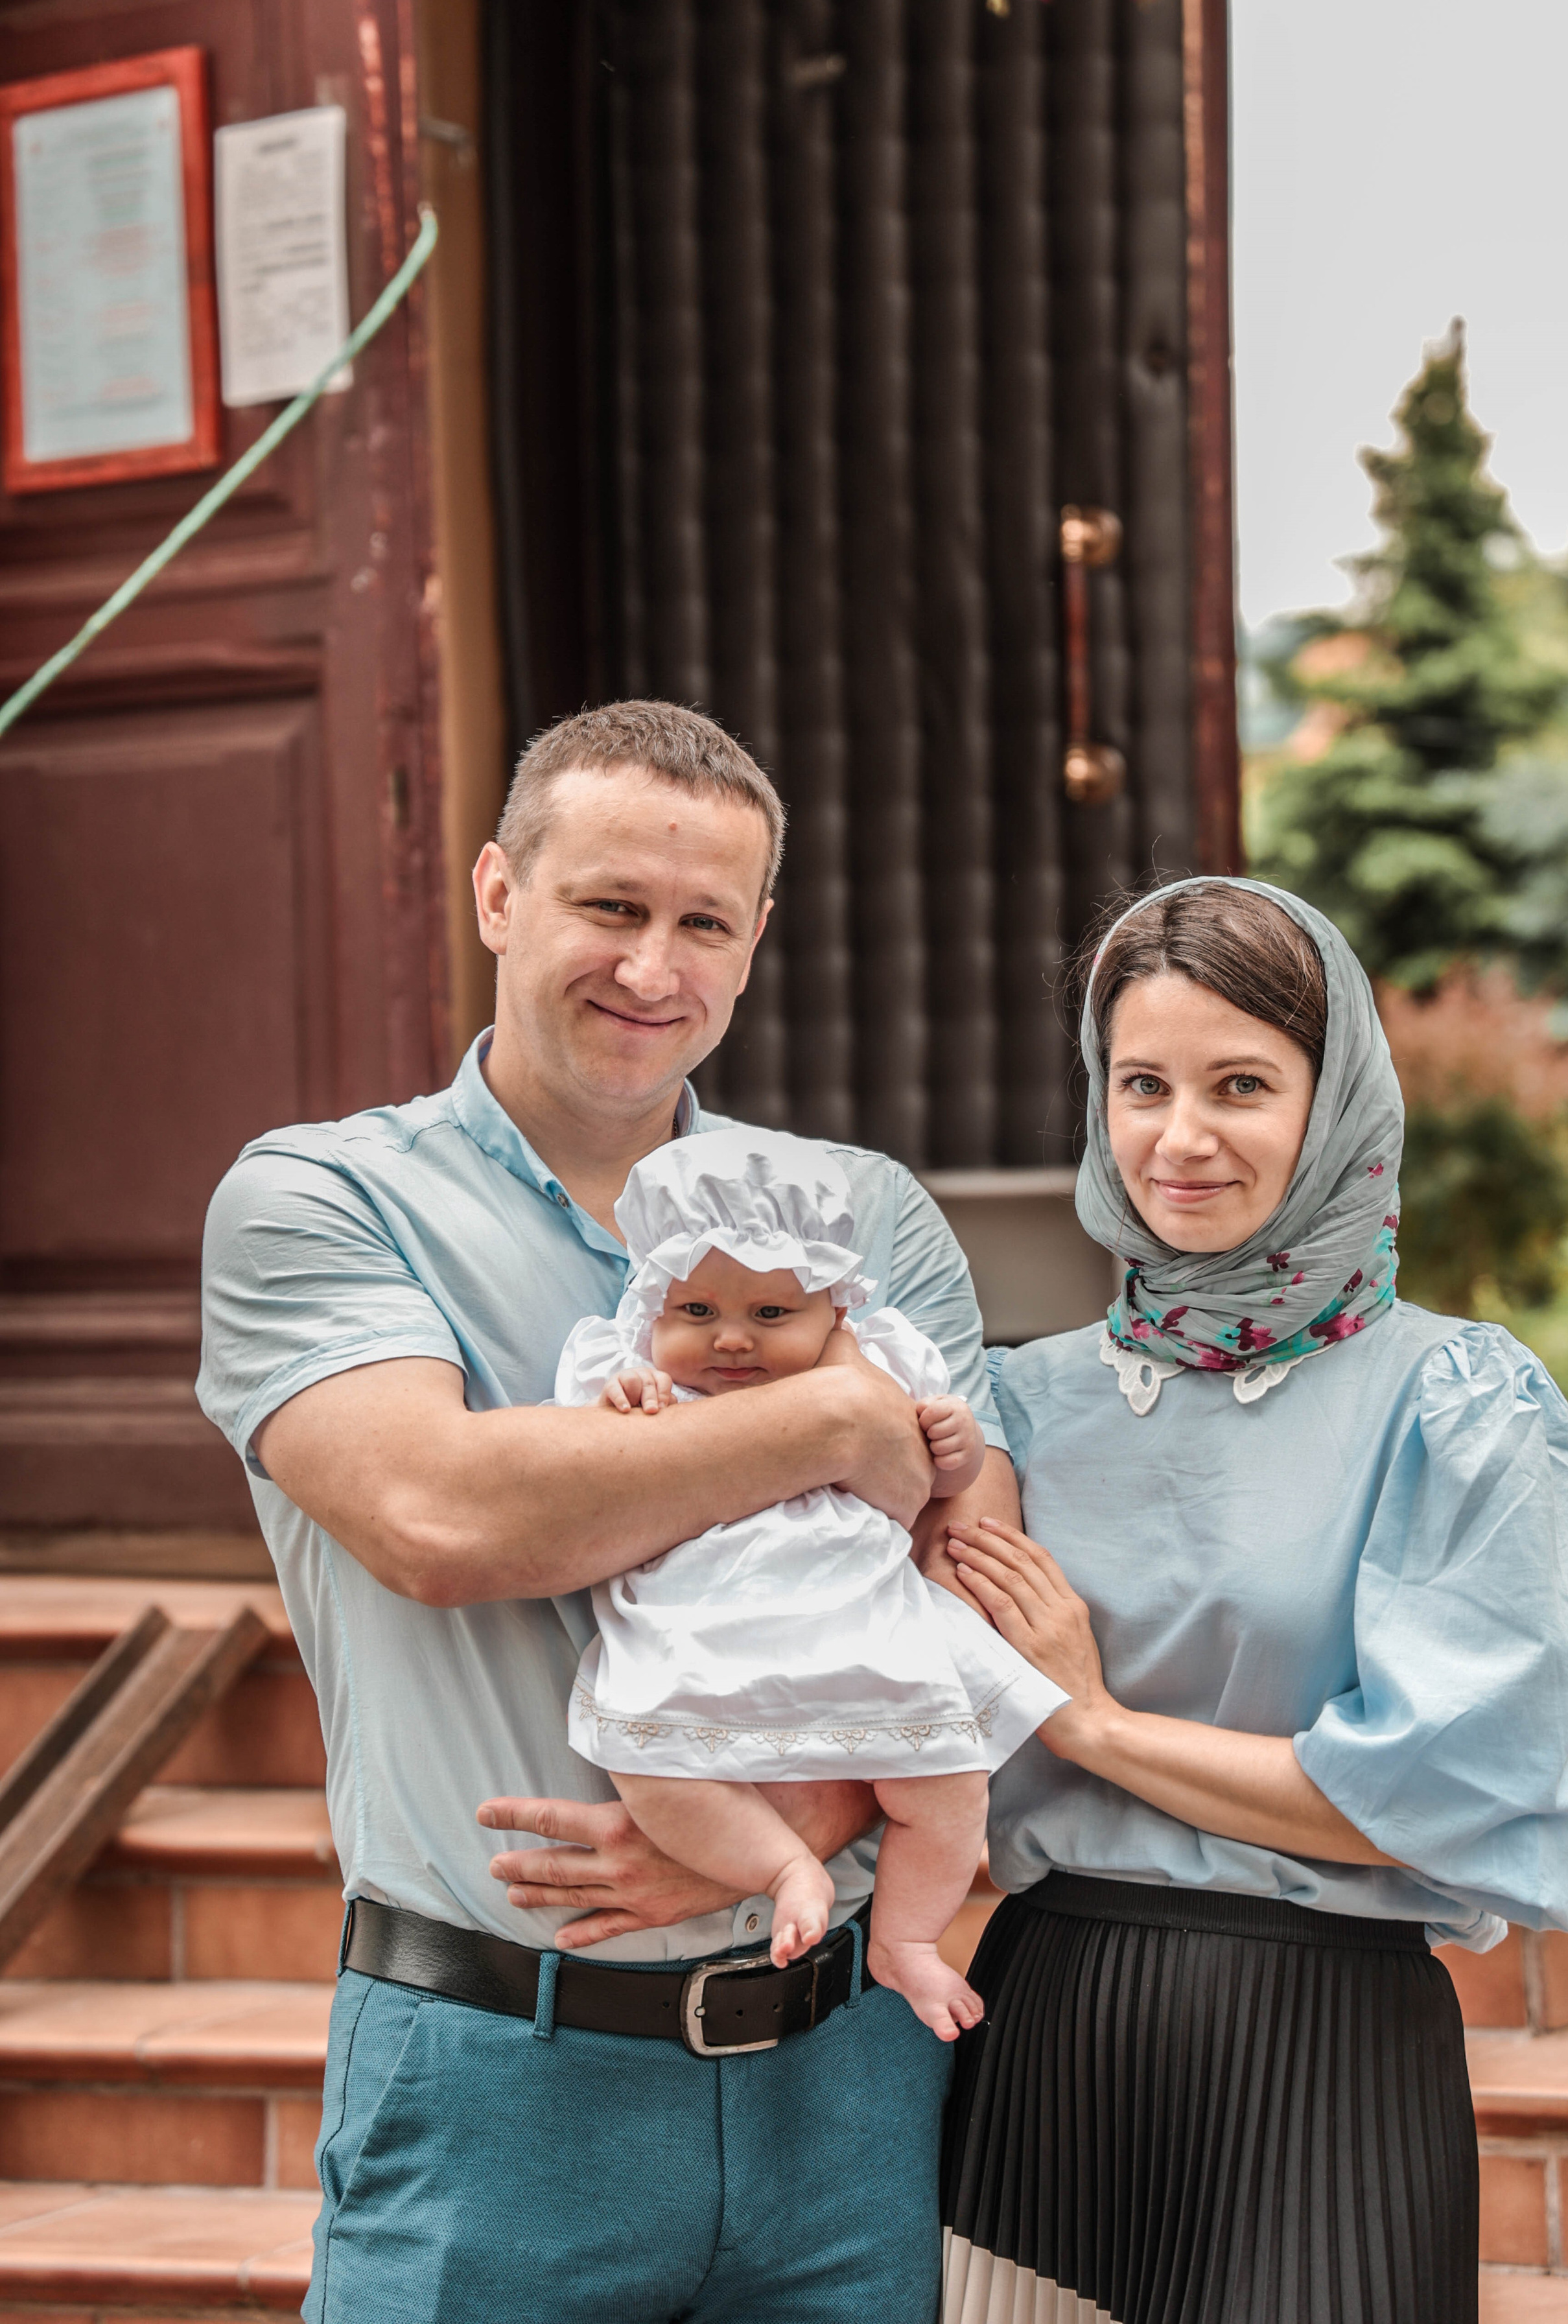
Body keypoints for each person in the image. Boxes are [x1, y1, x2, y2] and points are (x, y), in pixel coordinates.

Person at [195, 699, 1024, 2324]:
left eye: (702, 922)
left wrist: (794, 1838)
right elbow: (439, 1517)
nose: (653, 967)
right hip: (499, 2075)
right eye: (609, 908)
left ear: (755, 938)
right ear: (500, 895)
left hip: (839, 2077)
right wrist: (838, 1417)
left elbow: (969, 1583)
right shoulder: (321, 1199)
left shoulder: (857, 1216)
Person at [940, 876, 1568, 2324]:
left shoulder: (1458, 1406)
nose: (1180, 1138)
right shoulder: (1009, 1410)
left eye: (1240, 1084)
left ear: (1335, 1097)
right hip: (1049, 2033)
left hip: (1329, 2046)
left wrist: (1092, 1723)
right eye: (1140, 1085)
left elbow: (1424, 1790)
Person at [557, 1126, 1066, 2037]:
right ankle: (783, 1867)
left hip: (858, 1618)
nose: (732, 1342)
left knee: (950, 1782)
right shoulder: (625, 1367)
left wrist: (953, 1451)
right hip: (697, 1627)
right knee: (653, 1765)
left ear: (834, 1309)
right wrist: (622, 1410)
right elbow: (580, 1469)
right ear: (651, 1305)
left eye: (771, 1315)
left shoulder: (883, 1359)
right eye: (698, 1313)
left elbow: (939, 1486)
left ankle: (906, 1941)